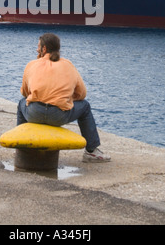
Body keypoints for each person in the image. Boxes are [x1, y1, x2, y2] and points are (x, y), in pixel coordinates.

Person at [17, 33, 111, 162]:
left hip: (34, 114)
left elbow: (24, 92)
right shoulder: (68, 65)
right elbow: (82, 94)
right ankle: (91, 151)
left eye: (38, 47)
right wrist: (64, 98)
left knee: (21, 103)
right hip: (59, 116)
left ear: (44, 49)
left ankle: (21, 146)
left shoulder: (32, 64)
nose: (36, 49)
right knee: (85, 106)